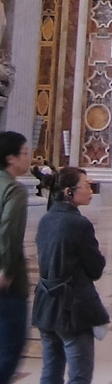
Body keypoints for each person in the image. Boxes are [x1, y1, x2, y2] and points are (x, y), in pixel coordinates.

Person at [31, 167, 109, 384]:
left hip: (46, 303)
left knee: (50, 371)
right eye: (86, 186)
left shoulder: (46, 219)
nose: (90, 191)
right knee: (79, 375)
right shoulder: (79, 224)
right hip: (72, 307)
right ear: (69, 192)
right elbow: (95, 268)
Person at [0, 131, 30, 384]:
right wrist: (6, 272)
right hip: (7, 283)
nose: (28, 158)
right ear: (11, 158)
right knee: (11, 345)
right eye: (25, 152)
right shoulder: (14, 190)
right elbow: (9, 234)